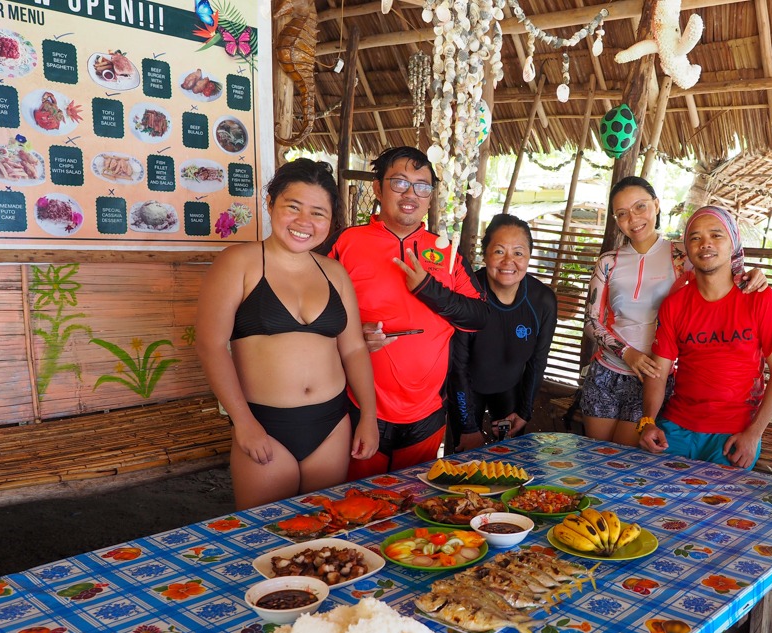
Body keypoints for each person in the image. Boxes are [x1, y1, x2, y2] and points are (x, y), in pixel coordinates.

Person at [196, 159, 378, 510]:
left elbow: (354, 349)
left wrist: (368, 416)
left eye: (318, 213)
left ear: (331, 221)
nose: (303, 222)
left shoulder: (335, 273)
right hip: (264, 423)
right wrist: (243, 422)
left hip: (331, 424)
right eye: (292, 207)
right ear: (270, 203)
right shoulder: (239, 262)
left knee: (326, 533)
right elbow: (211, 346)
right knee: (263, 537)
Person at [328, 146, 488, 478]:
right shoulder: (347, 242)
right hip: (359, 407)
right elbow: (311, 312)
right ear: (377, 188)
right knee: (359, 504)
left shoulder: (447, 251)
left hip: (427, 414)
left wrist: (428, 289)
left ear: (431, 197)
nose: (410, 194)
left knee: (413, 506)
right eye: (399, 182)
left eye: (422, 185)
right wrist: (352, 333)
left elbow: (478, 316)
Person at [582, 176, 766, 446]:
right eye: (622, 214)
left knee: (625, 462)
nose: (633, 219)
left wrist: (756, 273)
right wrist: (627, 353)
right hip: (606, 374)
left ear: (656, 205)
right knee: (594, 455)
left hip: (655, 378)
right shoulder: (608, 262)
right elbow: (590, 321)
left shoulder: (683, 255)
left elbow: (727, 273)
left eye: (640, 207)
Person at [637, 206, 772, 468]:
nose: (705, 243)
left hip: (733, 435)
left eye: (716, 235)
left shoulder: (759, 298)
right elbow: (659, 373)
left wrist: (754, 434)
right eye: (695, 237)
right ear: (686, 248)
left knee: (717, 507)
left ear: (733, 243)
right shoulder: (674, 304)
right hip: (675, 428)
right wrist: (648, 421)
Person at [448, 214, 558, 451]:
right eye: (499, 251)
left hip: (510, 389)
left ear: (529, 256)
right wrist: (467, 428)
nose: (509, 261)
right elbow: (458, 367)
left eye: (518, 252)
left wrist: (524, 412)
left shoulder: (542, 300)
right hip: (465, 391)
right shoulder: (467, 295)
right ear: (485, 254)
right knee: (459, 466)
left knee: (512, 461)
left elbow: (538, 361)